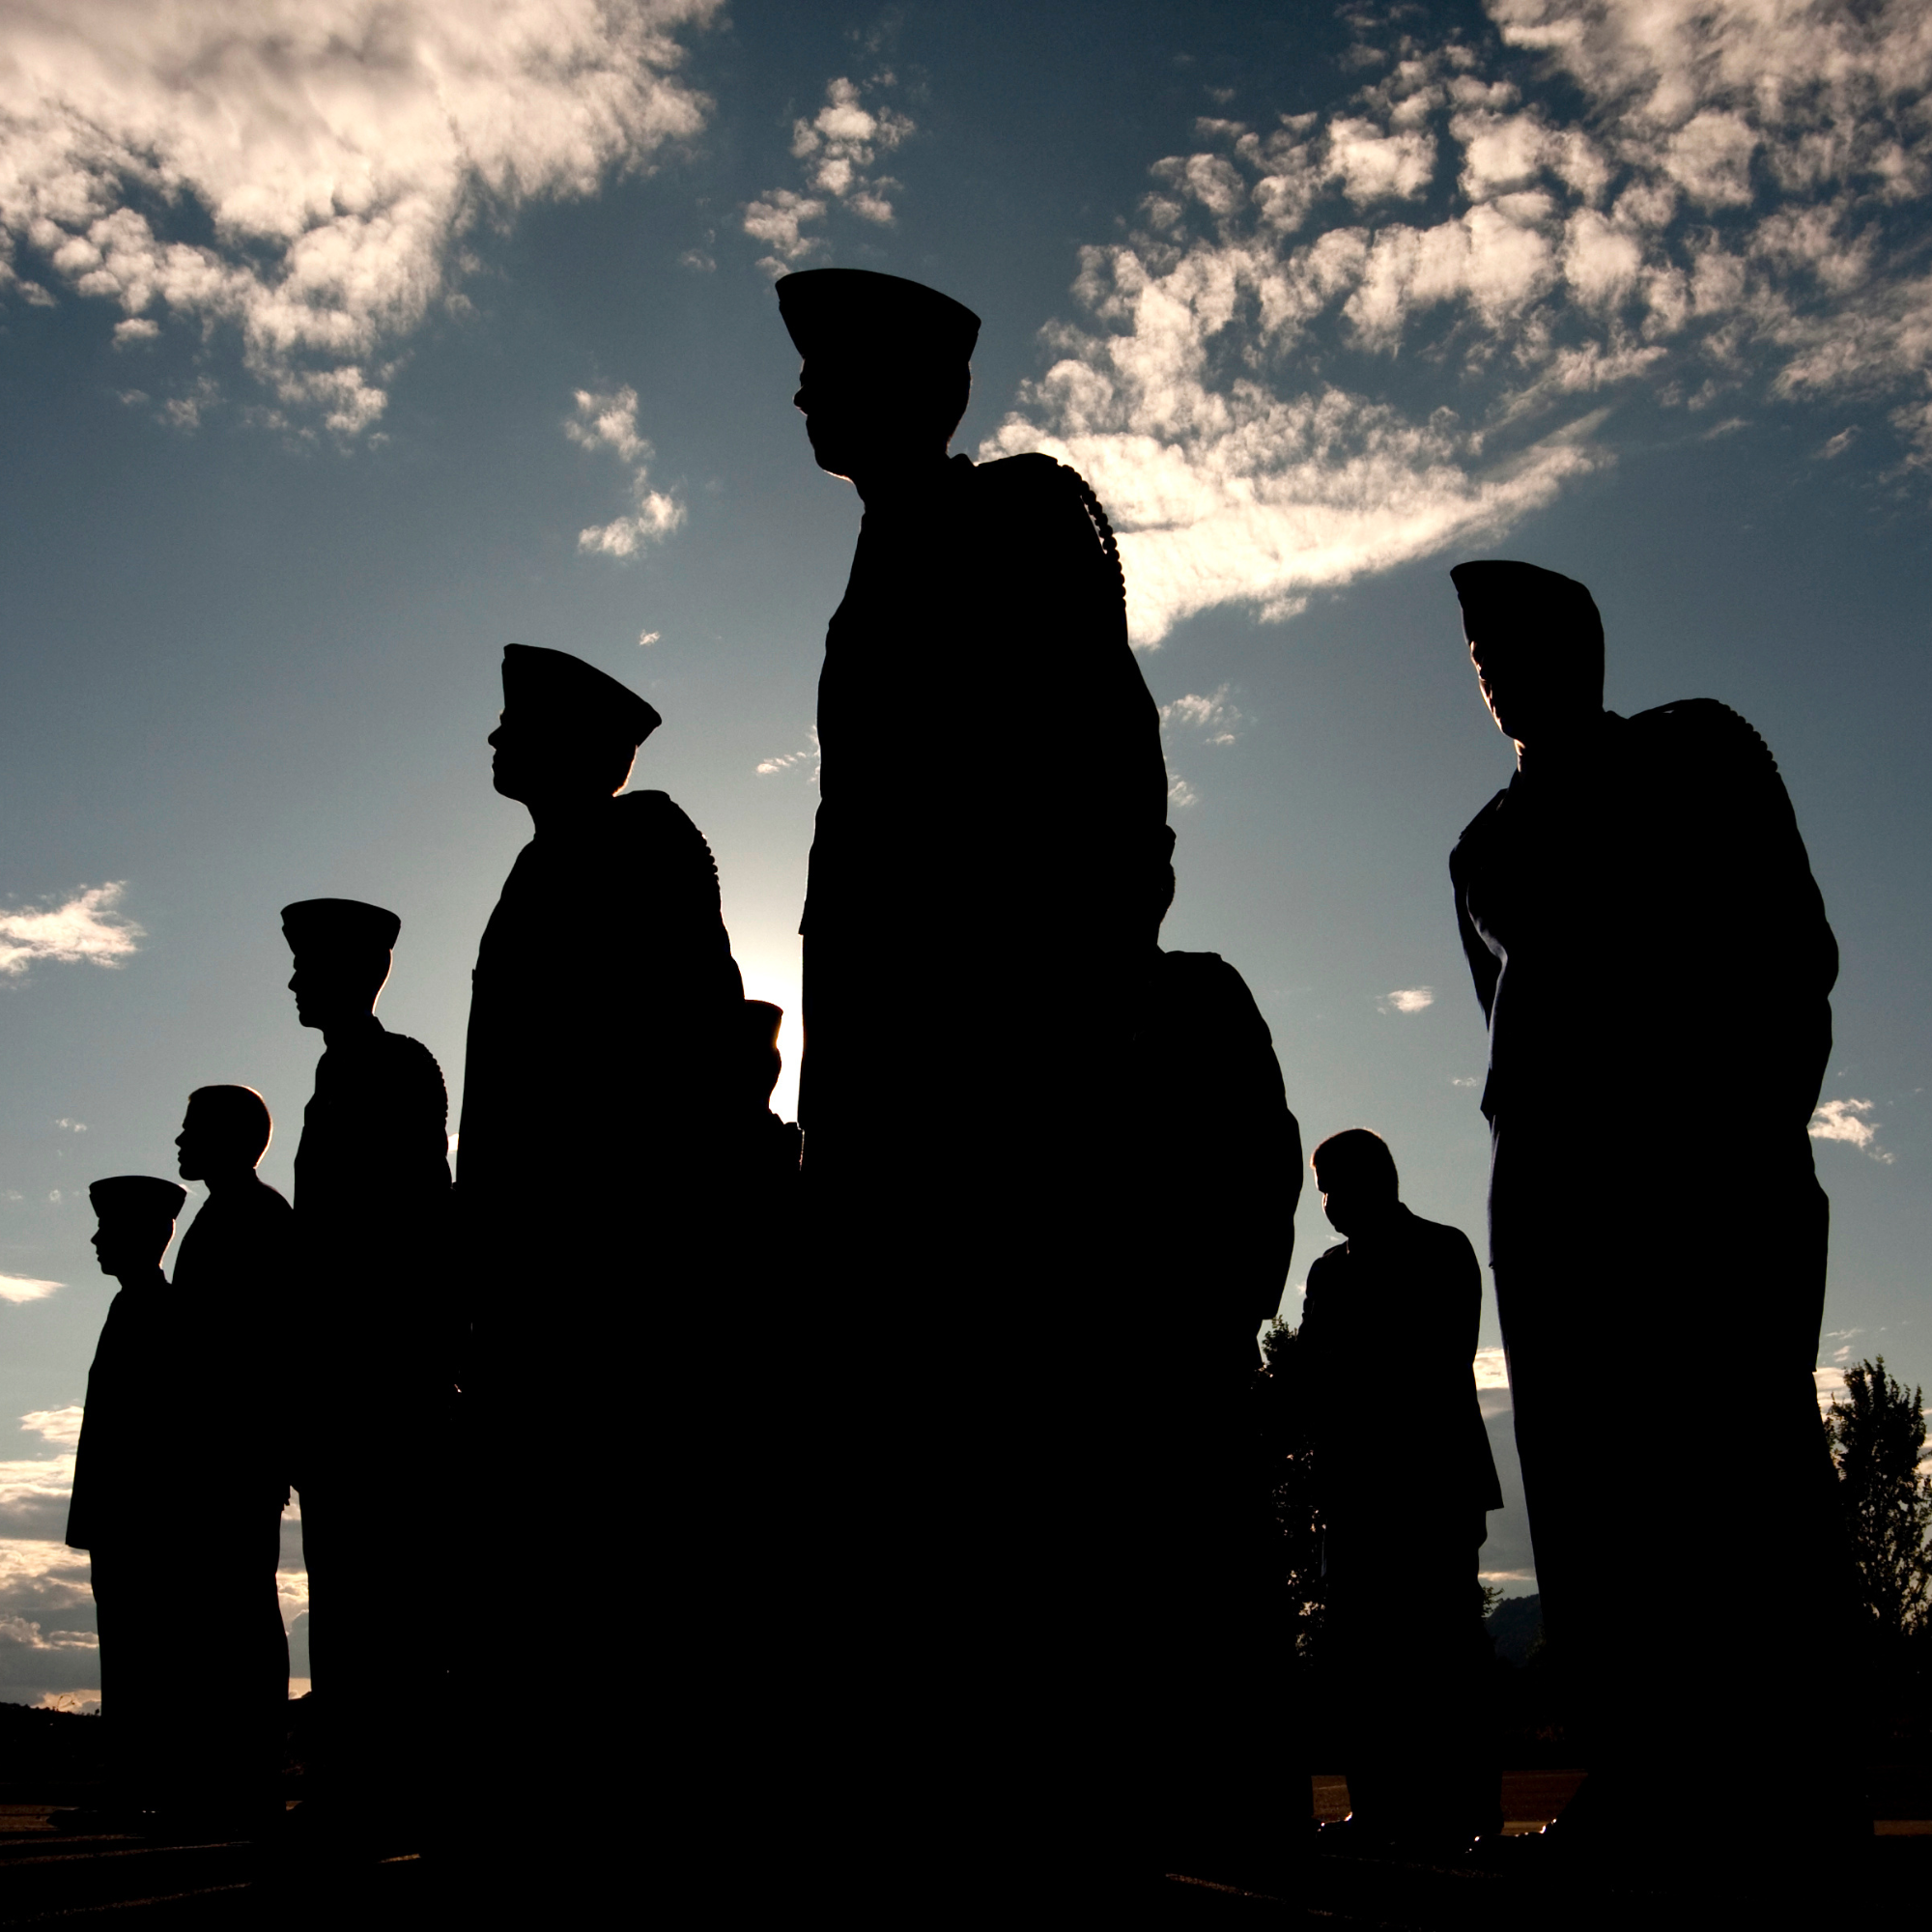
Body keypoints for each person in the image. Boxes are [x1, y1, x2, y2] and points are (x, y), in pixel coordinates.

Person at [774, 267, 1172, 1907]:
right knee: (900, 1444)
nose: (797, 403)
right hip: (886, 1074)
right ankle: (932, 1800)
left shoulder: (1017, 528)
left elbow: (1108, 792)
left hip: (991, 1069)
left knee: (998, 1437)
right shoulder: (884, 557)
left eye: (824, 378)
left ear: (905, 393)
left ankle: (1030, 1815)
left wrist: (1055, 1026)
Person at [1444, 558, 1853, 1851]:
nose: (1497, 667)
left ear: (1589, 647)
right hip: (1554, 1186)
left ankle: (1792, 1769)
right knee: (1585, 1470)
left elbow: (1793, 944)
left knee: (1737, 1459)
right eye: (1478, 652)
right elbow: (1508, 1023)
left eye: (1520, 639)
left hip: (1706, 1165)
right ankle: (1638, 1763)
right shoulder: (1483, 848)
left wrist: (1752, 1120)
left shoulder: (1696, 751)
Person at [452, 644, 755, 1897]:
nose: (490, 744)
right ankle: (564, 1811)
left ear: (575, 745)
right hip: (536, 1276)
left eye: (512, 726)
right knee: (549, 1557)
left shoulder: (644, 850)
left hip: (614, 1275)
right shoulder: (538, 869)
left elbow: (688, 1059)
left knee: (624, 1549)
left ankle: (644, 1822)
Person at [1127, 827, 1309, 1882]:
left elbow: (1261, 1156)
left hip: (1184, 1346)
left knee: (1220, 1609)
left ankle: (1251, 1829)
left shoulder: (1201, 993)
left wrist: (1223, 1306)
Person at [280, 897, 452, 1841]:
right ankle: (357, 1774)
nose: (296, 981)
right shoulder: (331, 1075)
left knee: (388, 1590)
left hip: (382, 1370)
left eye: (309, 967)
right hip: (342, 1373)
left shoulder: (391, 1069)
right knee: (347, 1588)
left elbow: (412, 1220)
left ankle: (392, 1781)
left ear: (357, 973)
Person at [1290, 1129, 1502, 1854]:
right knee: (1362, 1653)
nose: (1326, 1202)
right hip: (1358, 1488)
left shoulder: (1443, 1250)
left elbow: (1438, 1359)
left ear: (1373, 1178)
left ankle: (1468, 1806)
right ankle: (1379, 1805)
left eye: (1333, 1184)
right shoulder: (1329, 1274)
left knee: (1443, 1646)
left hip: (1430, 1481)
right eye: (1321, 1188)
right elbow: (1316, 1372)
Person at [166, 1085, 296, 1830]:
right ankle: (225, 1776)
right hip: (214, 1447)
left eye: (192, 1130)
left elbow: (266, 1343)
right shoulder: (226, 1214)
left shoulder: (256, 1216)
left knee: (241, 1611)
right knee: (219, 1614)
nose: (179, 1141)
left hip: (236, 1448)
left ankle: (249, 1779)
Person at [67, 1175, 190, 1829]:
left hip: (141, 1518)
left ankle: (142, 1784)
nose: (94, 1239)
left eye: (106, 1229)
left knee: (143, 1652)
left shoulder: (155, 1312)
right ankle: (132, 1780)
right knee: (129, 1649)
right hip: (123, 1516)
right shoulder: (133, 1308)